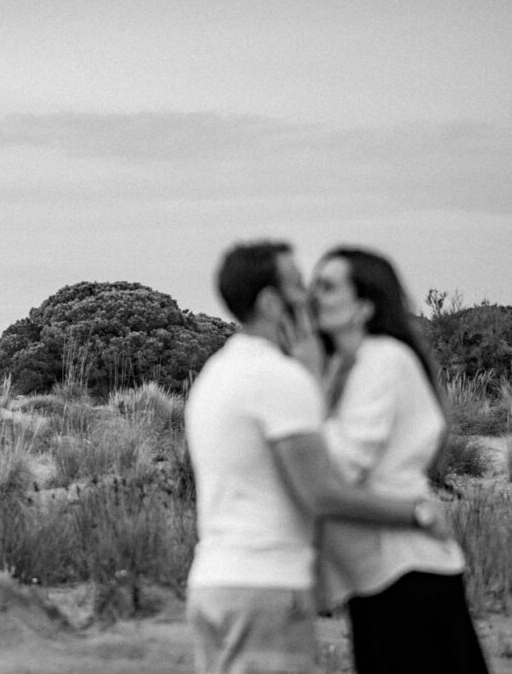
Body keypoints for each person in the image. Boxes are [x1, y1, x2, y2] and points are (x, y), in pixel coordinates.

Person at [184, 241, 450, 674]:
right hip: (267, 586)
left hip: (212, 582)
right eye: (297, 285)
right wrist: (415, 514)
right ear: (271, 302)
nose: (307, 296)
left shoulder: (214, 374)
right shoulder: (280, 378)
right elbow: (321, 492)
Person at [311, 246, 489, 673]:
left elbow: (343, 466)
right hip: (373, 576)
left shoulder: (383, 360)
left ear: (365, 306)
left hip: (406, 570)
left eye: (328, 286)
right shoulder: (344, 366)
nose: (313, 295)